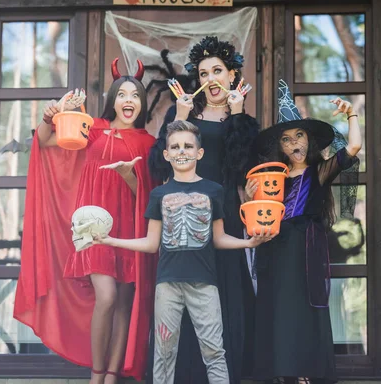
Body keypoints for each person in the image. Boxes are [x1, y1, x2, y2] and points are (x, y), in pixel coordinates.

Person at [95, 120, 274, 384]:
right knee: (164, 353)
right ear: (166, 154)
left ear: (199, 153)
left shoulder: (214, 191)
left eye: (188, 146)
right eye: (175, 147)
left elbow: (219, 237)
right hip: (167, 285)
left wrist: (248, 243)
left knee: (214, 350)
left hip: (205, 285)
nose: (182, 151)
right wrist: (111, 240)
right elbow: (150, 243)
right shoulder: (159, 194)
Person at [14, 58, 157, 384]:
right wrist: (53, 116)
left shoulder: (149, 144)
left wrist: (130, 178)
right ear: (113, 100)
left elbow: (148, 198)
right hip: (95, 227)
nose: (128, 101)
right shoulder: (92, 128)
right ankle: (95, 374)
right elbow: (47, 142)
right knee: (105, 297)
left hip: (129, 231)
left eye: (135, 95)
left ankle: (111, 374)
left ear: (142, 103)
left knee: (124, 302)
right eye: (122, 95)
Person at [148, 37, 258, 383]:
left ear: (231, 75)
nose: (211, 79)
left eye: (218, 71)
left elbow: (244, 169)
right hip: (183, 217)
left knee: (225, 297)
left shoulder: (245, 122)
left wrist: (237, 115)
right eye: (204, 72)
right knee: (180, 296)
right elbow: (157, 165)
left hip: (224, 216)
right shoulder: (181, 112)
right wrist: (176, 119)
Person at [250, 80, 362, 384]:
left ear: (308, 140)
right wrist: (251, 196)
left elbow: (352, 148)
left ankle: (305, 373)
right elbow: (259, 214)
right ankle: (284, 372)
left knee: (303, 306)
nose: (294, 143)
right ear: (281, 146)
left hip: (305, 244)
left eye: (299, 135)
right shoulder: (274, 176)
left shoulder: (319, 171)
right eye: (286, 139)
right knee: (279, 306)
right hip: (275, 246)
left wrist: (351, 115)